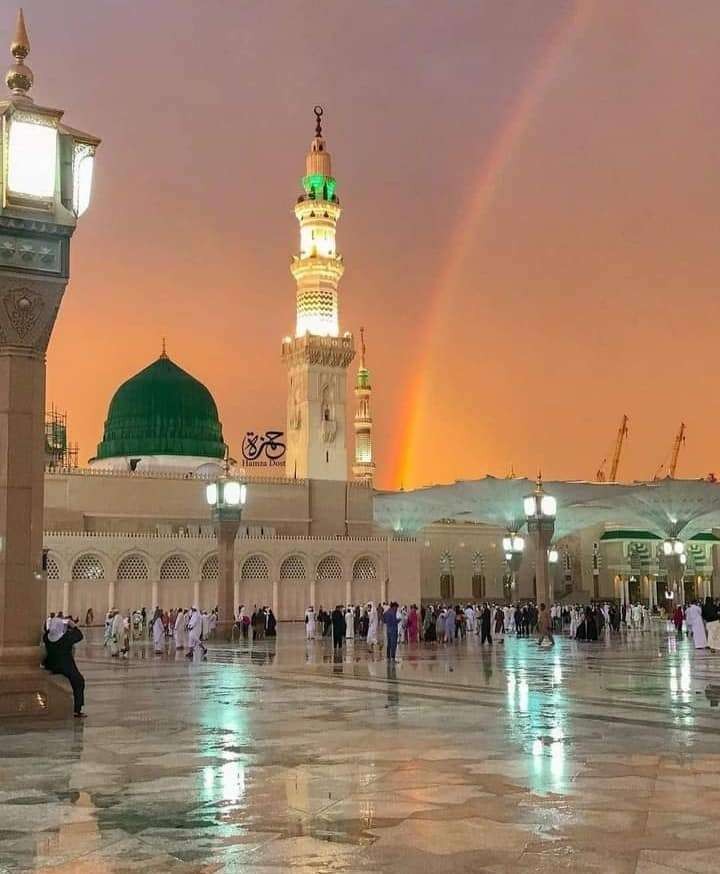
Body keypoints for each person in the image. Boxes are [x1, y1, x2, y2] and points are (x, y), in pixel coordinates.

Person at [43, 617, 86, 718]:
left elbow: (48, 630)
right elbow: (79, 636)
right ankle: (77, 709)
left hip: (51, 665)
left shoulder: (47, 637)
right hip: (65, 666)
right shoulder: (65, 638)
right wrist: (74, 626)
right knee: (79, 681)